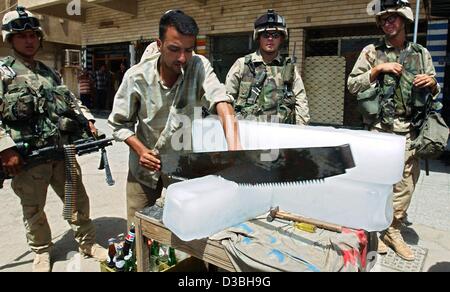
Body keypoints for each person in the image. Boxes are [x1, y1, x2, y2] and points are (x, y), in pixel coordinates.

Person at [108, 10, 241, 226]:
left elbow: (221, 100)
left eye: (188, 50)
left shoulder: (198, 66)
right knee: (137, 230)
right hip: (143, 169)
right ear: (159, 44)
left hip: (182, 165)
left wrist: (236, 148)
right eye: (174, 49)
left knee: (184, 228)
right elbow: (119, 123)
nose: (182, 58)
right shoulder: (136, 76)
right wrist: (141, 151)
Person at [0, 6, 107, 272]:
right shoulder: (3, 73)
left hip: (61, 150)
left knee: (77, 198)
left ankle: (87, 243)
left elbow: (71, 100)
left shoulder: (50, 73)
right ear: (10, 40)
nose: (29, 40)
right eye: (22, 35)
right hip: (28, 157)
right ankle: (41, 251)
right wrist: (5, 148)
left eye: (33, 35)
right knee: (34, 207)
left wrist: (89, 120)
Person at [348, 0, 441, 261]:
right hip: (379, 129)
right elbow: (352, 84)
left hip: (410, 130)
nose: (388, 22)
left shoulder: (421, 53)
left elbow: (436, 88)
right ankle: (375, 229)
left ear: (404, 21)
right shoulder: (371, 51)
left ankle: (393, 229)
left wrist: (432, 83)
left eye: (393, 18)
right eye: (384, 19)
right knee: (376, 183)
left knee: (405, 186)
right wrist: (378, 69)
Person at [225, 9, 310, 125]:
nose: (270, 39)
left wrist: (301, 130)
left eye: (275, 35)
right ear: (258, 37)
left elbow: (301, 100)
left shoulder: (288, 68)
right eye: (266, 35)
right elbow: (227, 98)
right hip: (248, 132)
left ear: (281, 38)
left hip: (280, 132)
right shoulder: (242, 64)